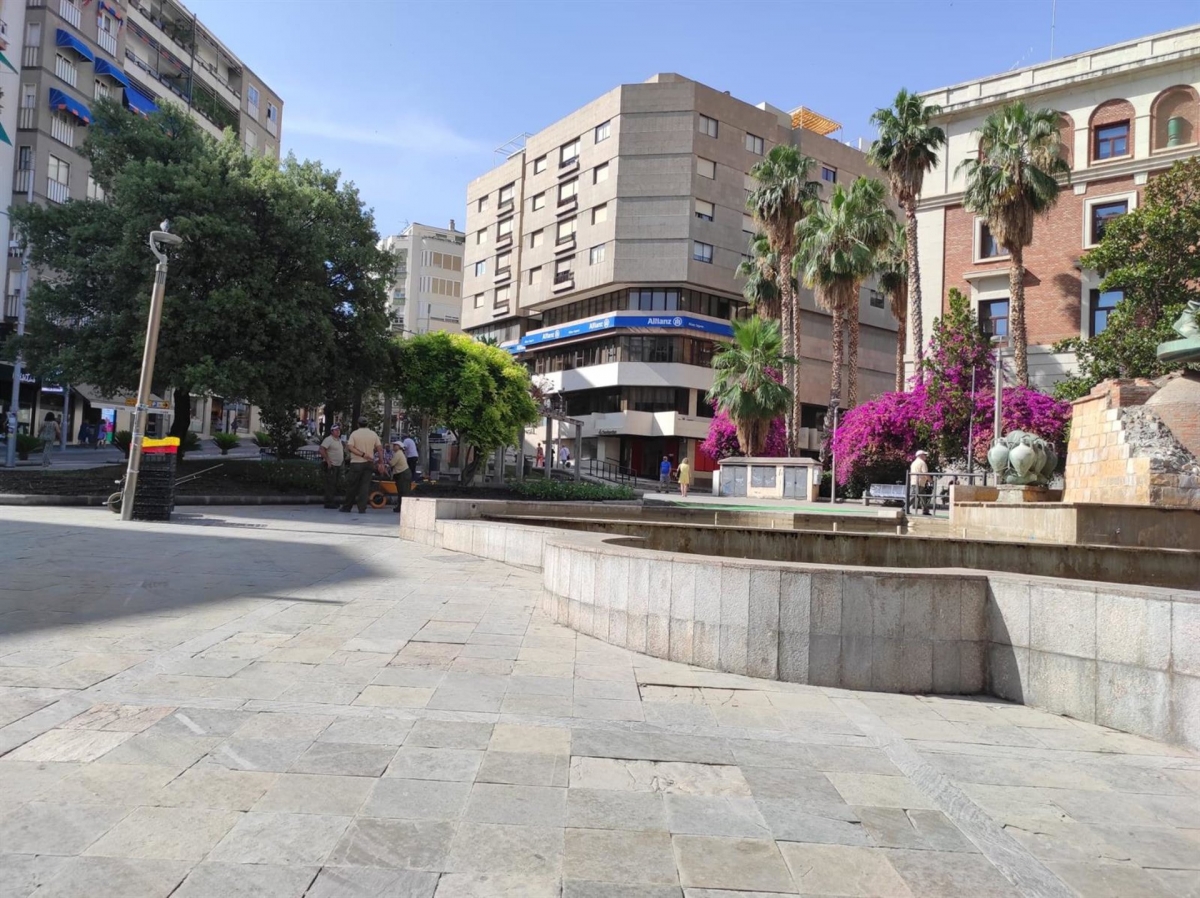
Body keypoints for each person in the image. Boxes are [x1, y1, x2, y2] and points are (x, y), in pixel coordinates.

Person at [340, 416, 384, 514]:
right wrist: (381, 462)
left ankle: (347, 507)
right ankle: (362, 508)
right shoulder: (373, 434)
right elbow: (380, 449)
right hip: (369, 463)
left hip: (356, 463)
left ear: (358, 424)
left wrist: (362, 455)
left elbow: (350, 447)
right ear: (367, 424)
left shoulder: (354, 434)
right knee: (365, 486)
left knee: (352, 485)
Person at [319, 422, 345, 508]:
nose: (338, 431)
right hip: (331, 465)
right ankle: (328, 502)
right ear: (332, 431)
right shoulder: (329, 439)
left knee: (335, 484)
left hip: (338, 465)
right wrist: (327, 460)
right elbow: (322, 449)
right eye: (336, 430)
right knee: (330, 484)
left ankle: (332, 500)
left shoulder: (339, 440)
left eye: (339, 430)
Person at [389, 440, 413, 513]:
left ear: (399, 447)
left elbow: (392, 463)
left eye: (395, 445)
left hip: (403, 474)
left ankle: (403, 507)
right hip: (402, 474)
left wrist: (387, 462)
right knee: (402, 492)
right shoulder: (399, 453)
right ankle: (401, 507)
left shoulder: (398, 453)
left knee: (403, 492)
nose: (393, 447)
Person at [910, 449, 932, 515]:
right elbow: (925, 473)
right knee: (914, 496)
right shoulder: (922, 463)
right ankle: (904, 508)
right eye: (924, 455)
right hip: (919, 482)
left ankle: (925, 510)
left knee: (923, 496)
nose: (925, 456)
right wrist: (931, 481)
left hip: (915, 481)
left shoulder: (914, 463)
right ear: (920, 455)